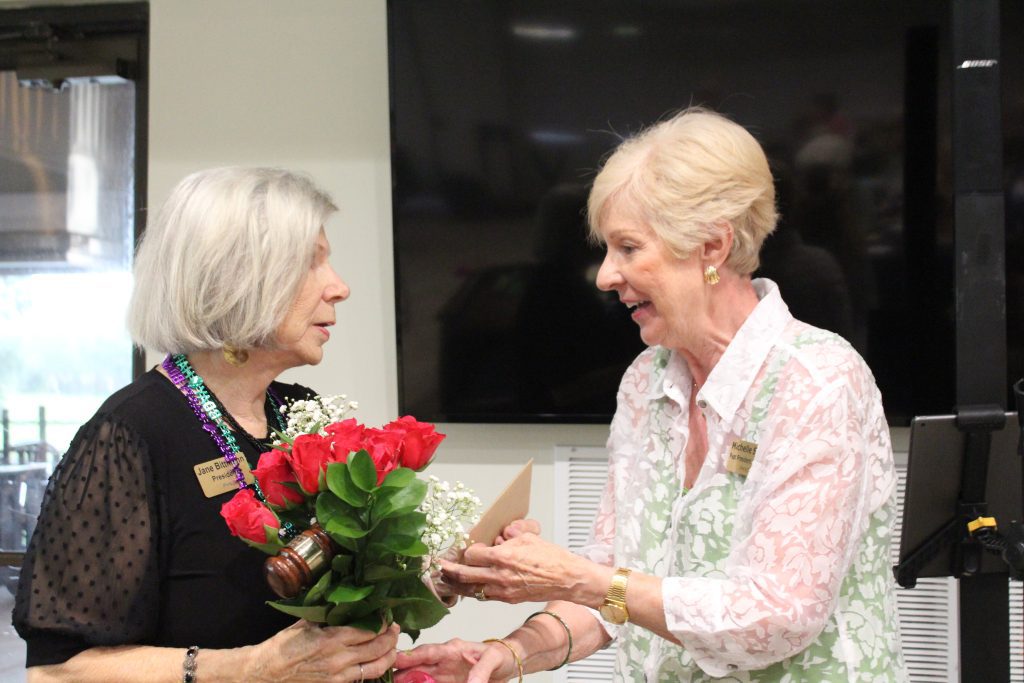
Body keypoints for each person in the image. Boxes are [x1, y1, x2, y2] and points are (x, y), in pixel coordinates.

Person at [394, 108, 908, 681]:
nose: (604, 276)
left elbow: (777, 616)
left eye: (629, 248)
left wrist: (578, 579)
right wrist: (509, 653)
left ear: (712, 246)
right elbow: (615, 588)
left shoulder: (818, 380)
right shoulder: (646, 380)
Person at [14, 167, 399, 682]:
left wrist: (433, 580)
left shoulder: (302, 413)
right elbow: (57, 671)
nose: (340, 287)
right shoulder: (129, 436)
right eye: (312, 262)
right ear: (239, 277)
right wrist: (249, 669)